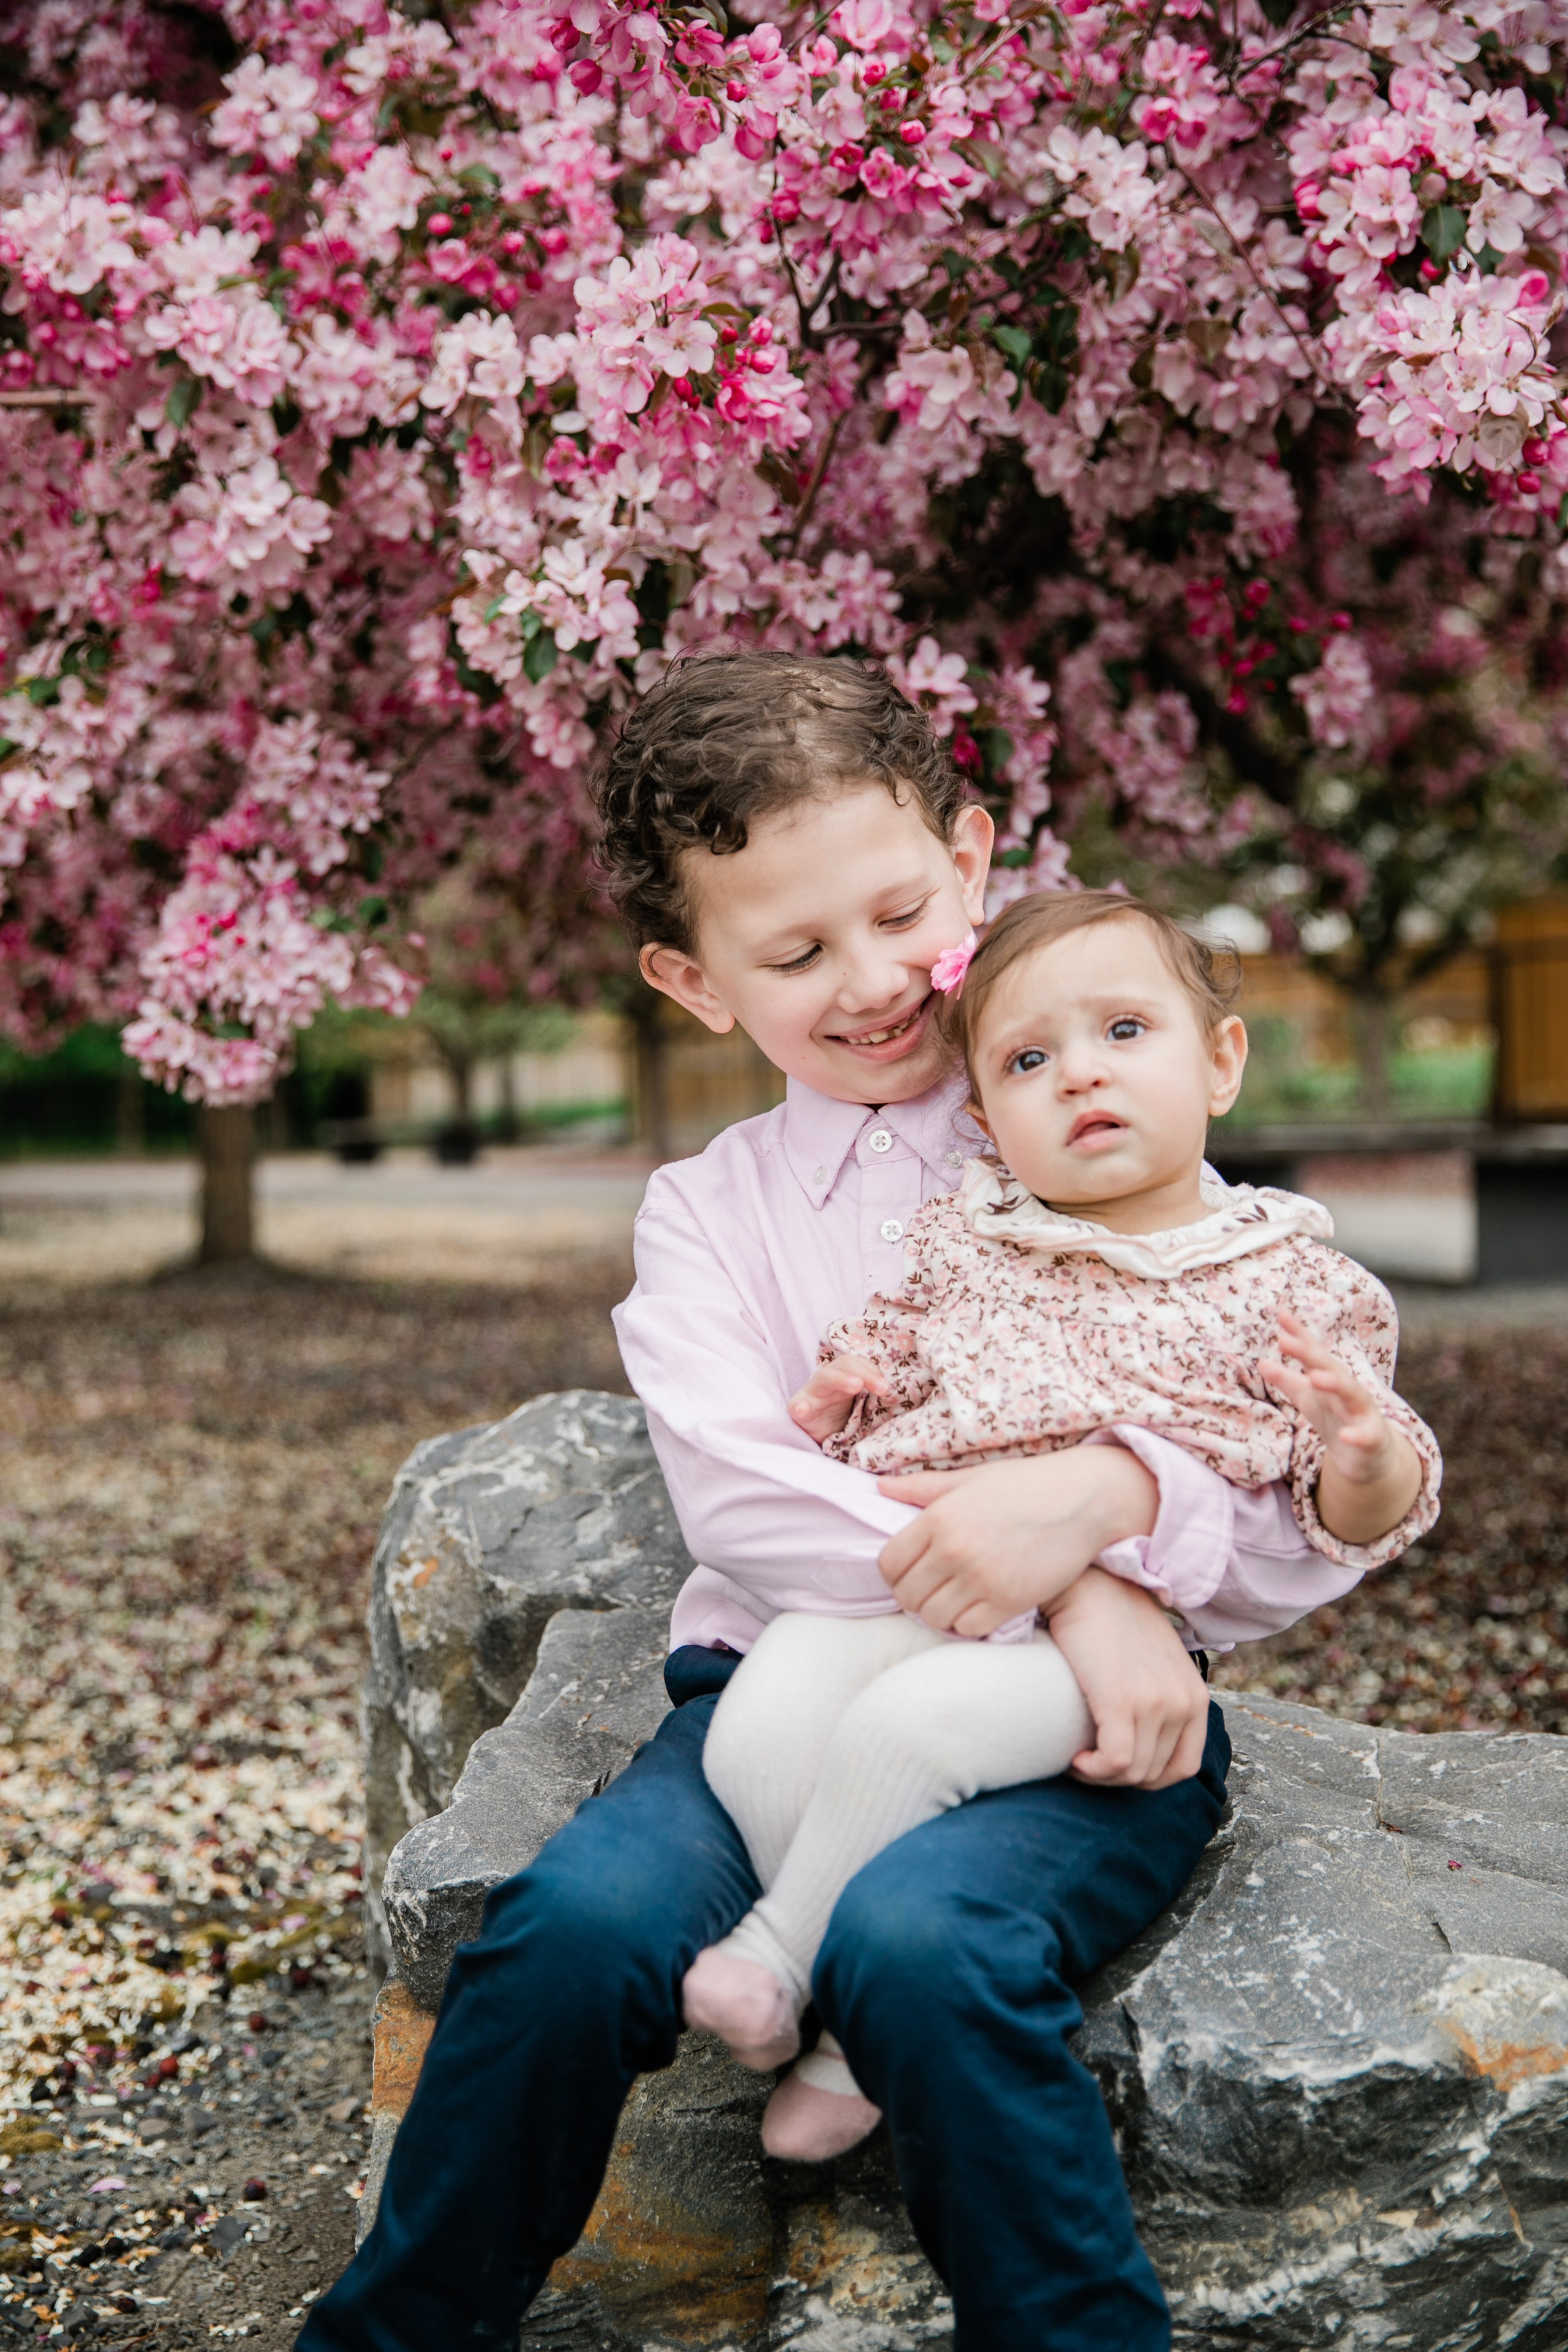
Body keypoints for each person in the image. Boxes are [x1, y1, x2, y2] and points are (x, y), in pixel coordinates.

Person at [300, 654, 1381, 2352]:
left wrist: (1112, 1497)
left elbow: (1283, 1483)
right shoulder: (705, 1215)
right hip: (773, 1701)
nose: (875, 983)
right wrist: (1074, 1576)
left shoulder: (1077, 1099)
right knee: (569, 1934)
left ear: (974, 854)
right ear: (695, 979)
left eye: (900, 914)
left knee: (922, 1941)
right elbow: (745, 1499)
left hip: (1066, 1741)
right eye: (796, 955)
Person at [683, 888, 1440, 2160]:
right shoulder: (976, 1240)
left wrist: (1359, 1448)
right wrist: (838, 1392)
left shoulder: (1287, 1277)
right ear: (982, 1122)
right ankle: (838, 1963)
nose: (1078, 1073)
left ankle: (790, 1983)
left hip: (1088, 1644)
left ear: (1218, 1061)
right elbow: (890, 1362)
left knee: (911, 1730)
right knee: (763, 1719)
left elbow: (1357, 1506)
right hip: (932, 1586)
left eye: (1124, 1032)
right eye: (1028, 1061)